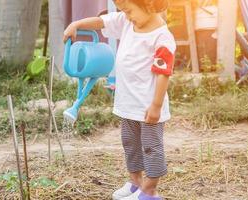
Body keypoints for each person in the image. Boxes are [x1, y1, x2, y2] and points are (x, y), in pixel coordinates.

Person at [63, 0, 176, 199]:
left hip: (148, 108)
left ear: (149, 6)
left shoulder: (162, 37)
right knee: (130, 144)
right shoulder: (127, 22)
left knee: (151, 146)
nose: (127, 15)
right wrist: (77, 25)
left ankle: (149, 190)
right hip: (128, 105)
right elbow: (101, 22)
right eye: (123, 11)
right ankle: (136, 182)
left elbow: (163, 73)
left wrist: (156, 105)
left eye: (130, 11)